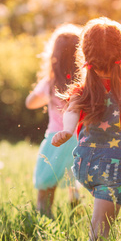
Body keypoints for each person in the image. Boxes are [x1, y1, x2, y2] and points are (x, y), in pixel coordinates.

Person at [52, 17, 121, 241]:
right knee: (100, 232)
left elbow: (71, 110)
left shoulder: (84, 91)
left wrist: (67, 131)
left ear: (85, 54)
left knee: (101, 227)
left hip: (85, 165)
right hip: (113, 169)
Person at [25, 24, 82, 217]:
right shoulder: (83, 85)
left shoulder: (50, 83)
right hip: (79, 138)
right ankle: (76, 215)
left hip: (56, 139)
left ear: (53, 56)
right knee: (74, 180)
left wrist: (45, 95)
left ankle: (44, 219)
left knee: (46, 183)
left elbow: (30, 103)